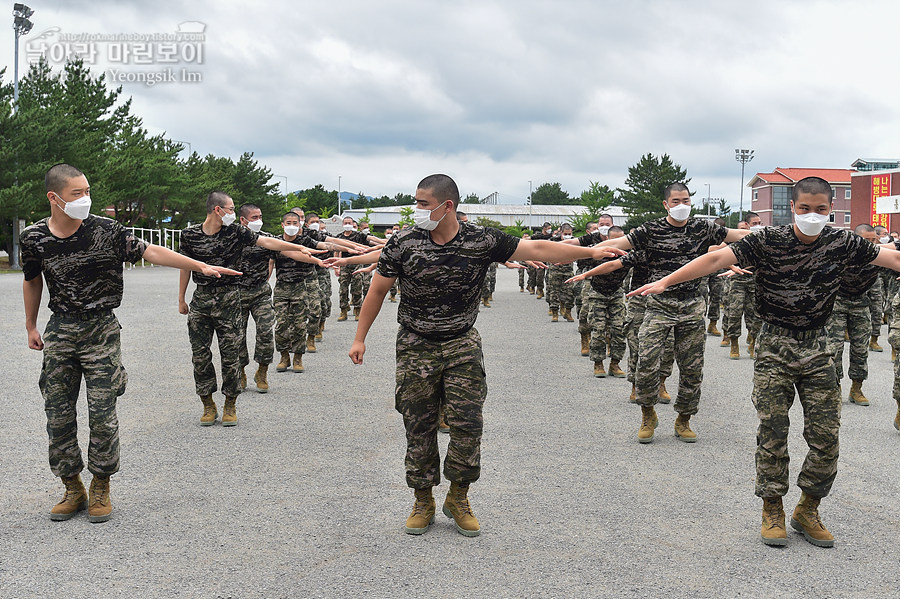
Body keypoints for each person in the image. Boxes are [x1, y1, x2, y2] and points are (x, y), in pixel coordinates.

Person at [630, 176, 900, 548]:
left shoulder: (844, 242)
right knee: (773, 431)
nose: (812, 216)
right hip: (774, 348)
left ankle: (808, 508)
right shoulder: (768, 240)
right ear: (793, 207)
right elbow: (715, 258)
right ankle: (772, 507)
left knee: (826, 436)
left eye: (821, 210)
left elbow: (893, 259)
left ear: (831, 209)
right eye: (804, 209)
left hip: (820, 349)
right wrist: (665, 282)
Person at [345, 174, 620, 538]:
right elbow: (378, 290)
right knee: (418, 424)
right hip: (415, 345)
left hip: (462, 344)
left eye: (423, 204)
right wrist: (359, 338)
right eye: (416, 203)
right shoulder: (403, 242)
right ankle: (423, 498)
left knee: (468, 424)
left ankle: (458, 497)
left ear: (448, 206)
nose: (417, 211)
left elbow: (535, 249)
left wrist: (590, 252)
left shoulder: (481, 239)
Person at [22, 164, 238, 523]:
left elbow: (152, 251)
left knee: (103, 413)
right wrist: (31, 325)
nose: (85, 199)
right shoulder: (34, 238)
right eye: (77, 193)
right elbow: (31, 280)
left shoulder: (107, 231)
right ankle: (72, 486)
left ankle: (101, 485)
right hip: (60, 330)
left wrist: (199, 266)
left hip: (101, 329)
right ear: (54, 197)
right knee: (57, 413)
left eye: (87, 191)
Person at [588, 184, 749, 443]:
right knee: (647, 362)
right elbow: (619, 243)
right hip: (659, 305)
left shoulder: (703, 228)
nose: (681, 205)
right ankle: (648, 414)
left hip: (691, 306)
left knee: (692, 368)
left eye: (686, 200)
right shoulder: (651, 230)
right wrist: (583, 251)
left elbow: (736, 235)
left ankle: (684, 418)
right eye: (676, 201)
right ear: (666, 204)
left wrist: (780, 236)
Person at [178, 192, 318, 427]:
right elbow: (184, 266)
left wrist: (297, 248)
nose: (233, 213)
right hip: (201, 301)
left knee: (230, 356)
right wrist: (181, 298)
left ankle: (230, 403)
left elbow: (265, 242)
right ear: (217, 210)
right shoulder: (189, 235)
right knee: (200, 356)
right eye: (231, 209)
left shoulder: (235, 232)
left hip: (230, 299)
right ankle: (207, 403)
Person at [825, 224, 883, 407]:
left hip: (860, 303)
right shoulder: (840, 255)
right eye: (868, 241)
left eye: (874, 240)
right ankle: (836, 387)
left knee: (860, 349)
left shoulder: (878, 257)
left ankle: (856, 389)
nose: (872, 244)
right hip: (838, 302)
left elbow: (877, 292)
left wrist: (877, 320)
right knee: (834, 347)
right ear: (856, 240)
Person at [567, 226, 629, 378]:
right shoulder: (596, 252)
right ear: (607, 239)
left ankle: (615, 363)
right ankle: (598, 363)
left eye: (620, 240)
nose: (617, 243)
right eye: (613, 239)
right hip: (597, 294)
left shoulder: (628, 254)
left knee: (619, 329)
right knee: (598, 329)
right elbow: (574, 255)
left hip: (616, 294)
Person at [271, 212, 327, 373]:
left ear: (300, 224)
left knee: (299, 324)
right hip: (281, 287)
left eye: (295, 223)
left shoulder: (305, 241)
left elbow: (324, 245)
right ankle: (284, 356)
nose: (292, 226)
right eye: (288, 222)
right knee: (281, 324)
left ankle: (298, 357)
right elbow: (270, 262)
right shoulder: (276, 241)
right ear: (282, 224)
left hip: (300, 287)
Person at [236, 204, 277, 393]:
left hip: (260, 293)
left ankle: (262, 372)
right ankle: (240, 371)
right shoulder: (231, 238)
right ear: (243, 220)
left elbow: (282, 252)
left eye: (260, 216)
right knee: (236, 336)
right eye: (254, 217)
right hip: (236, 294)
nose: (258, 220)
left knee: (266, 332)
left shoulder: (265, 238)